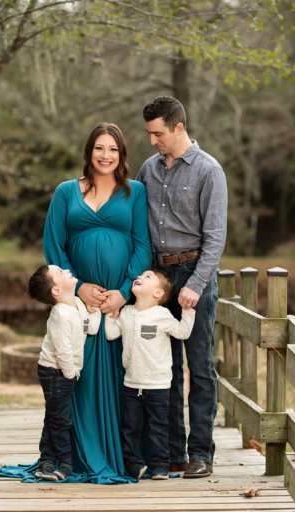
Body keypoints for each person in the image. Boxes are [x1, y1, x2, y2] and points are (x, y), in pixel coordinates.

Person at [0, 122, 151, 484]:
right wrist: (81, 288)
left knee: (120, 379)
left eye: (113, 149)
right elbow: (54, 247)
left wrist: (122, 291)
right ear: (88, 152)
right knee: (75, 379)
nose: (105, 155)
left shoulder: (135, 192)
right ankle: (72, 455)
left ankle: (121, 453)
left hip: (116, 307)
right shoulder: (65, 192)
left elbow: (142, 246)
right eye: (99, 148)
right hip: (78, 306)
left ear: (122, 155)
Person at [136, 95, 227, 478]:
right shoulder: (148, 169)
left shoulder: (209, 171)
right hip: (159, 276)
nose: (152, 141)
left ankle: (200, 453)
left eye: (158, 133)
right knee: (165, 367)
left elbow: (216, 236)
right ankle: (172, 452)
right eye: (149, 134)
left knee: (200, 367)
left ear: (178, 127)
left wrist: (197, 283)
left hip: (194, 273)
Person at [105, 269, 196, 481]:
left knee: (158, 428)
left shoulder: (162, 315)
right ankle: (133, 463)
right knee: (130, 428)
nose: (139, 277)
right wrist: (112, 315)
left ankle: (160, 465)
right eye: (140, 276)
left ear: (157, 293)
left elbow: (182, 333)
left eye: (147, 277)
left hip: (158, 385)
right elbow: (111, 333)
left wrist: (188, 312)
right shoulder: (126, 312)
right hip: (131, 383)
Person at [26, 264, 102, 481]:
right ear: (56, 291)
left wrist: (93, 309)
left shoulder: (78, 303)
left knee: (54, 415)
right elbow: (62, 349)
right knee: (60, 419)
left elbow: (92, 328)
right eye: (60, 272)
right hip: (54, 372)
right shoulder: (60, 313)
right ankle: (65, 463)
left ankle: (46, 460)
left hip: (64, 372)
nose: (67, 270)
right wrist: (70, 375)